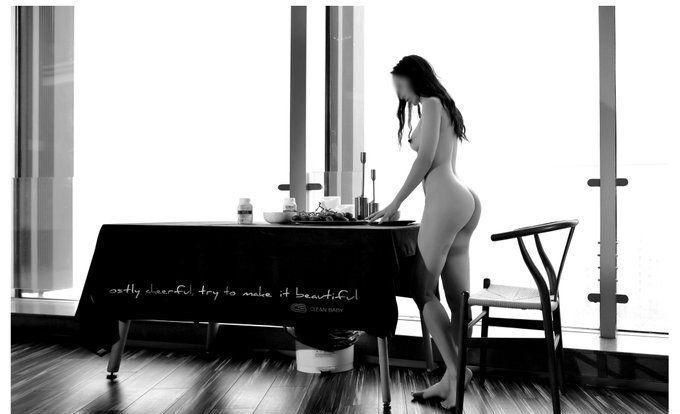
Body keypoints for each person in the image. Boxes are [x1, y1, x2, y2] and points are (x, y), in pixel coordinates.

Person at [367, 54, 482, 410]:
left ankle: (457, 373)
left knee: (422, 290)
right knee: (457, 299)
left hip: (446, 200)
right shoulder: (442, 104)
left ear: (412, 78)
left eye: (400, 85)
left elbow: (426, 158)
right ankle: (450, 379)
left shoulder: (431, 103)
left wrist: (395, 202)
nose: (400, 94)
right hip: (463, 200)